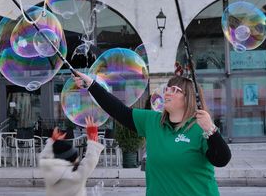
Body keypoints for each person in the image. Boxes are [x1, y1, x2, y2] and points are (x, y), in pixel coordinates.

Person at [74, 72, 231, 196]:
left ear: (189, 98)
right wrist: (92, 85)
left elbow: (222, 159)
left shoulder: (200, 128)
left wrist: (211, 129)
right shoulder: (152, 121)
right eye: (167, 88)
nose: (167, 93)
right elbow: (119, 111)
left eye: (175, 90)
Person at [39, 116, 104, 196]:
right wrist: (92, 138)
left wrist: (52, 142)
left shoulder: (48, 170)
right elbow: (91, 160)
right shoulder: (77, 175)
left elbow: (43, 157)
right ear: (72, 161)